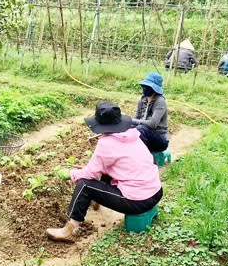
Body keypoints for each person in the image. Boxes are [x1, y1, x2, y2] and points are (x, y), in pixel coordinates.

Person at [46, 101, 163, 242]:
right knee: (103, 172)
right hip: (156, 192)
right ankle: (96, 201)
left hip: (137, 201)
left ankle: (70, 228)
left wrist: (70, 173)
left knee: (84, 184)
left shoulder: (106, 143)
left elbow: (89, 175)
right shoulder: (132, 134)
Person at [131, 72, 169, 153]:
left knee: (140, 128)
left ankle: (143, 158)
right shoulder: (142, 100)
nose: (144, 88)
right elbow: (137, 118)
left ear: (154, 89)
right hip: (144, 133)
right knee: (126, 127)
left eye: (147, 87)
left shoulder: (160, 101)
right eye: (144, 86)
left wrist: (132, 121)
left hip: (159, 139)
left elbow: (152, 124)